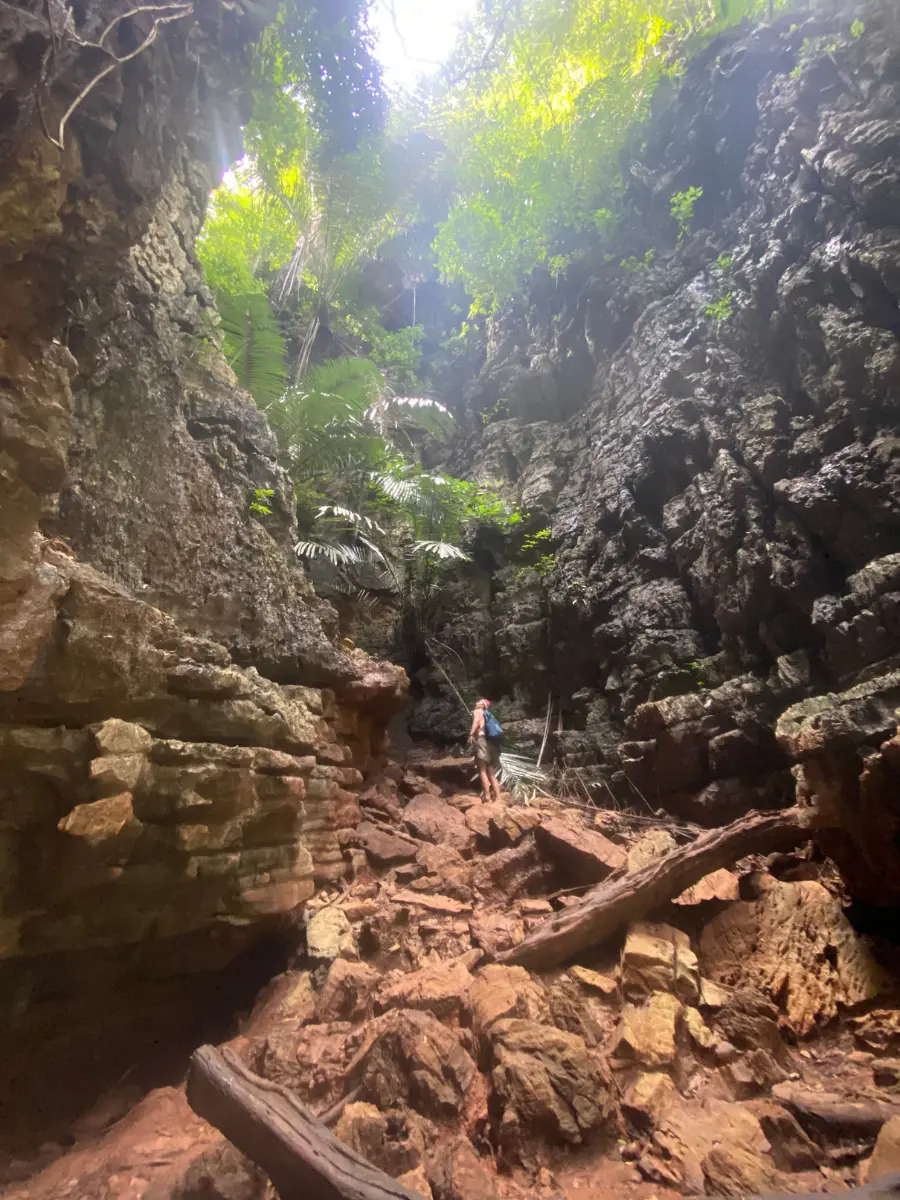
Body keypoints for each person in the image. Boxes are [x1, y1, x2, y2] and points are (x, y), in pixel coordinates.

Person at [468, 698, 502, 804]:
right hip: (490, 745)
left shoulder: (478, 711)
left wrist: (470, 734)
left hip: (482, 742)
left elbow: (477, 722)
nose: (476, 702)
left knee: (482, 771)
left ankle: (487, 798)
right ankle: (499, 798)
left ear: (482, 706)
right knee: (491, 773)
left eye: (479, 701)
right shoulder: (487, 715)